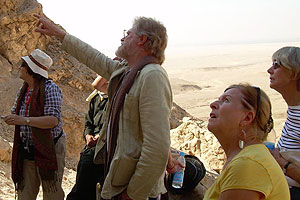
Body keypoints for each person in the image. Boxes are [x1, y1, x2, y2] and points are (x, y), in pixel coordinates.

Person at [34, 14, 172, 200]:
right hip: (119, 181)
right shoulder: (127, 72)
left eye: (128, 34)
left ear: (142, 39)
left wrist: (133, 193)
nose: (122, 38)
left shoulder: (152, 75)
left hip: (135, 191)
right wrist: (60, 35)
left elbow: (157, 147)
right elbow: (93, 57)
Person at [203, 83, 289, 200]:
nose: (213, 104)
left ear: (247, 118)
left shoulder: (248, 164)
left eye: (226, 100)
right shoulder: (248, 158)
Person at [3, 49, 65, 200]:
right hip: (28, 149)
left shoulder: (51, 89)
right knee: (25, 194)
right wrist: (12, 118)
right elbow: (18, 114)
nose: (20, 67)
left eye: (23, 65)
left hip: (50, 148)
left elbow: (52, 120)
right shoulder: (23, 90)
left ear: (30, 69)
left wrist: (24, 120)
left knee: (52, 193)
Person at [67, 76, 109, 200]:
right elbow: (88, 123)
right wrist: (88, 136)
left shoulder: (117, 95)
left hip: (108, 148)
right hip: (93, 148)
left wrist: (100, 137)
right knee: (83, 187)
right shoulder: (96, 98)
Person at [267, 46, 300, 200]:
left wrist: (281, 162)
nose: (269, 70)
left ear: (294, 72)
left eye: (276, 64)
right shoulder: (294, 111)